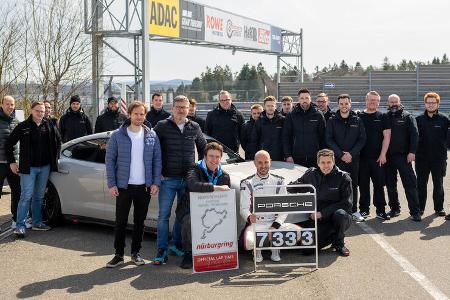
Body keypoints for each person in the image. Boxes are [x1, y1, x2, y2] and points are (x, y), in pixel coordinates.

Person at [105, 101, 162, 268]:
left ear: (145, 115)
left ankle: (136, 253)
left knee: (139, 222)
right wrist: (112, 184)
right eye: (136, 114)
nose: (139, 117)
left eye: (142, 114)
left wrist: (155, 183)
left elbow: (157, 160)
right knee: (120, 221)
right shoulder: (117, 135)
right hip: (123, 186)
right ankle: (118, 255)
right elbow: (110, 161)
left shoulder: (151, 135)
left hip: (144, 186)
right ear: (129, 114)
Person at [153, 95, 206, 265]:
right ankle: (161, 250)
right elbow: (152, 150)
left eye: (185, 107)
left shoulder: (195, 126)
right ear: (172, 107)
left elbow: (204, 149)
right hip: (167, 178)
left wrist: (200, 171)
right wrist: (157, 172)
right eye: (179, 107)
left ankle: (176, 245)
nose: (182, 110)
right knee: (163, 216)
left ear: (189, 109)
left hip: (188, 180)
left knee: (182, 216)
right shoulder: (162, 126)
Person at [6, 101, 61, 237]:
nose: (40, 113)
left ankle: (37, 223)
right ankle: (20, 226)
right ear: (31, 110)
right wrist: (12, 162)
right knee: (26, 197)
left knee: (39, 197)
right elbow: (9, 144)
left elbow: (58, 141)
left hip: (45, 167)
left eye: (42, 111)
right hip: (28, 168)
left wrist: (56, 158)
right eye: (38, 111)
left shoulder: (48, 124)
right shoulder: (23, 126)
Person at [289, 149, 352, 256]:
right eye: (322, 162)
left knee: (340, 214)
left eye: (328, 162)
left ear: (333, 162)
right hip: (319, 220)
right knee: (307, 250)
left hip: (338, 217)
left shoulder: (344, 177)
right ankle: (332, 235)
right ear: (318, 163)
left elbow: (346, 203)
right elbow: (296, 187)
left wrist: (323, 213)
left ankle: (339, 243)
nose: (326, 165)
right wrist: (281, 186)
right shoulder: (311, 174)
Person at [178, 142, 231, 269]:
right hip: (190, 209)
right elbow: (192, 185)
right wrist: (216, 188)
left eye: (217, 157)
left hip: (212, 210)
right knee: (189, 221)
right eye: (211, 156)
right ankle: (188, 253)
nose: (214, 160)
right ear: (205, 157)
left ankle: (219, 251)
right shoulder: (194, 168)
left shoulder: (224, 175)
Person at [240, 150, 299, 262]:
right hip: (256, 223)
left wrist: (275, 225)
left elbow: (284, 207)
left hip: (274, 222)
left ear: (270, 162)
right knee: (245, 243)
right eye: (260, 162)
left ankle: (275, 249)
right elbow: (243, 208)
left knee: (298, 232)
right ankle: (257, 250)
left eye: (266, 162)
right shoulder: (247, 183)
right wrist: (249, 217)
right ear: (254, 163)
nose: (263, 166)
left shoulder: (279, 181)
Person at [326, 94, 366, 222]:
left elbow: (362, 139)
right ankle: (337, 211)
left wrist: (351, 154)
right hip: (337, 159)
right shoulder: (332, 120)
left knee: (353, 185)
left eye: (346, 103)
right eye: (341, 104)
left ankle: (353, 210)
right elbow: (329, 139)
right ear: (338, 105)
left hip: (353, 159)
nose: (344, 106)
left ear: (350, 104)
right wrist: (341, 154)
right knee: (336, 185)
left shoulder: (357, 120)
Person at [385, 94, 421, 221]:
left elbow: (415, 135)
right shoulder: (385, 117)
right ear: (388, 103)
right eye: (391, 102)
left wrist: (412, 152)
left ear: (399, 102)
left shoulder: (408, 117)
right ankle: (395, 209)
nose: (393, 104)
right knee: (390, 185)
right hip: (388, 158)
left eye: (396, 102)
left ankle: (415, 212)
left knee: (410, 184)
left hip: (404, 157)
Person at [358, 91, 391, 221]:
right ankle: (364, 210)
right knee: (363, 186)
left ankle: (381, 210)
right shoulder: (359, 116)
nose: (373, 102)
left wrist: (383, 154)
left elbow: (387, 137)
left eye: (376, 100)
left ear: (379, 102)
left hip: (378, 159)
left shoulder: (383, 116)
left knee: (379, 185)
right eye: (371, 100)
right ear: (366, 100)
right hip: (362, 158)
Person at [415, 92, 450, 217]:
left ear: (437, 104)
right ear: (425, 104)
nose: (430, 105)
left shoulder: (445, 119)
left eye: (433, 103)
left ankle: (439, 208)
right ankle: (419, 209)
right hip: (421, 158)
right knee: (421, 184)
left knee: (438, 184)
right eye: (428, 102)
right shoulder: (418, 120)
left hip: (439, 159)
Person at [283, 88, 326, 168]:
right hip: (296, 157)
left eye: (306, 98)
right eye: (302, 98)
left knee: (314, 180)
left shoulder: (318, 115)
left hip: (314, 157)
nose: (304, 100)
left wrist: (322, 155)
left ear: (310, 99)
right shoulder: (291, 115)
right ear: (298, 100)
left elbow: (323, 137)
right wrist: (288, 155)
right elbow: (286, 136)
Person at [0, 96, 21, 229]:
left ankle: (16, 219)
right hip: (0, 162)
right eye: (7, 104)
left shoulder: (16, 121)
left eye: (12, 104)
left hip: (13, 163)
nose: (10, 106)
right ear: (2, 105)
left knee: (17, 191)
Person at [252, 96, 285, 161]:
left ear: (275, 106)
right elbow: (254, 140)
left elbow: (286, 139)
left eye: (272, 106)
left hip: (279, 157)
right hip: (263, 158)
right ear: (264, 107)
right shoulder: (259, 121)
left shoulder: (282, 120)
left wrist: (286, 155)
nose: (270, 108)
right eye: (268, 106)